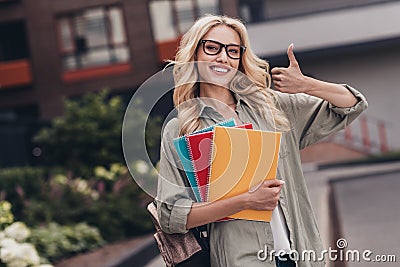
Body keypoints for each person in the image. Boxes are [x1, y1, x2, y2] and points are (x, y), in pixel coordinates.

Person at [155, 14, 367, 267]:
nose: (223, 57)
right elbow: (172, 215)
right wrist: (246, 201)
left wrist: (306, 85)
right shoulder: (181, 129)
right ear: (195, 54)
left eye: (233, 51)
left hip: (300, 256)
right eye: (212, 48)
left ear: (240, 59)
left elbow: (351, 105)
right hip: (240, 260)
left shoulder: (271, 108)